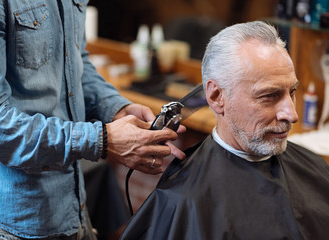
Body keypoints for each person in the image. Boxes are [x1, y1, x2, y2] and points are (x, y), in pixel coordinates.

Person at [0, 1, 185, 239]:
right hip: (11, 222)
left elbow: (76, 64)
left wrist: (114, 108)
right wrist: (102, 139)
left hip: (73, 208)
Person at [121, 21, 329, 240]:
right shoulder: (183, 201)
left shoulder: (314, 168)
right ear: (217, 97)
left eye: (292, 92)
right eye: (269, 96)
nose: (291, 114)